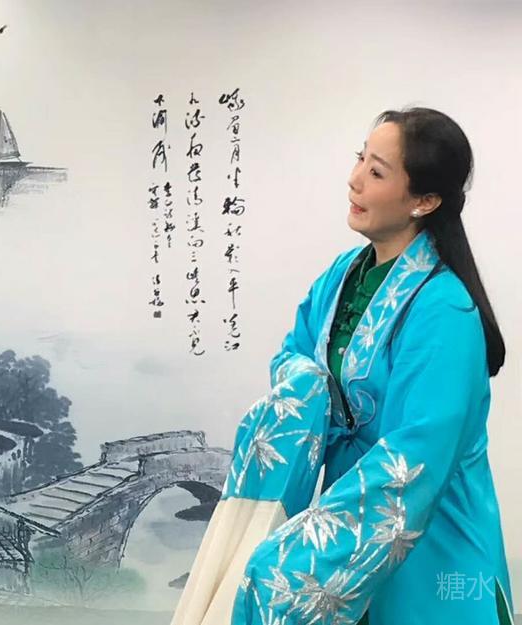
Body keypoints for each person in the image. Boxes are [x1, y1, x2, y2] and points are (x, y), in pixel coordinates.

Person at [172, 107, 516, 625]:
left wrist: (307, 551)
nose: (355, 179)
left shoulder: (444, 310)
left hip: (425, 538)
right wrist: (309, 387)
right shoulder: (341, 276)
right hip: (344, 515)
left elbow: (420, 453)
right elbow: (294, 357)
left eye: (377, 171)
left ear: (424, 201)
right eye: (360, 159)